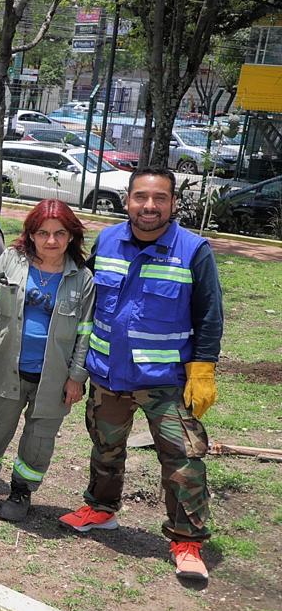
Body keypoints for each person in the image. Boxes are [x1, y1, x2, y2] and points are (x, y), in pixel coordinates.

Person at [60, 168, 223, 582]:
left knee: (184, 460)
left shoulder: (193, 251)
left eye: (159, 198)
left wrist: (203, 369)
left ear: (172, 203)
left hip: (165, 380)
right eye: (141, 198)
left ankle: (186, 540)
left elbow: (209, 315)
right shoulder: (109, 240)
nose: (149, 206)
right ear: (128, 200)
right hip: (108, 375)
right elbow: (86, 292)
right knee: (106, 447)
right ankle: (101, 509)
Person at [0, 200, 95, 522]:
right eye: (43, 233)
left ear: (71, 237)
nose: (51, 241)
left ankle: (21, 490)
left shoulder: (81, 278)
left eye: (59, 233)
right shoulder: (12, 261)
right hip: (7, 369)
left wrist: (77, 376)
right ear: (31, 234)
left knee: (39, 440)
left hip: (54, 377)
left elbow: (85, 332)